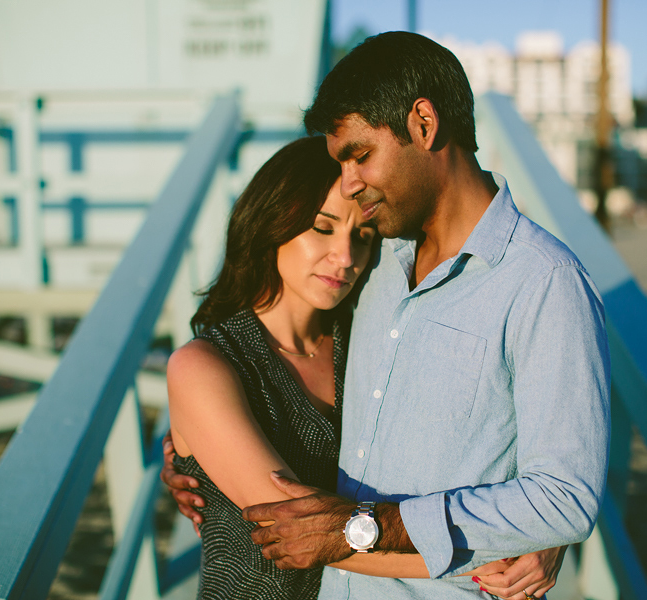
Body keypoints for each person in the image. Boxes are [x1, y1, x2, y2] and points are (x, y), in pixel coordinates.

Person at [233, 31, 611, 600]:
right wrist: (189, 444)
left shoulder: (545, 283)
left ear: (424, 124)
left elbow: (564, 497)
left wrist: (367, 527)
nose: (349, 183)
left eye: (360, 155)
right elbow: (286, 342)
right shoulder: (371, 259)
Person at [164, 135, 530, 600]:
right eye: (322, 226)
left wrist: (534, 536)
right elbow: (304, 529)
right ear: (270, 223)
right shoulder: (205, 365)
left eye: (362, 234)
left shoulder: (363, 341)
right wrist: (485, 559)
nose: (346, 258)